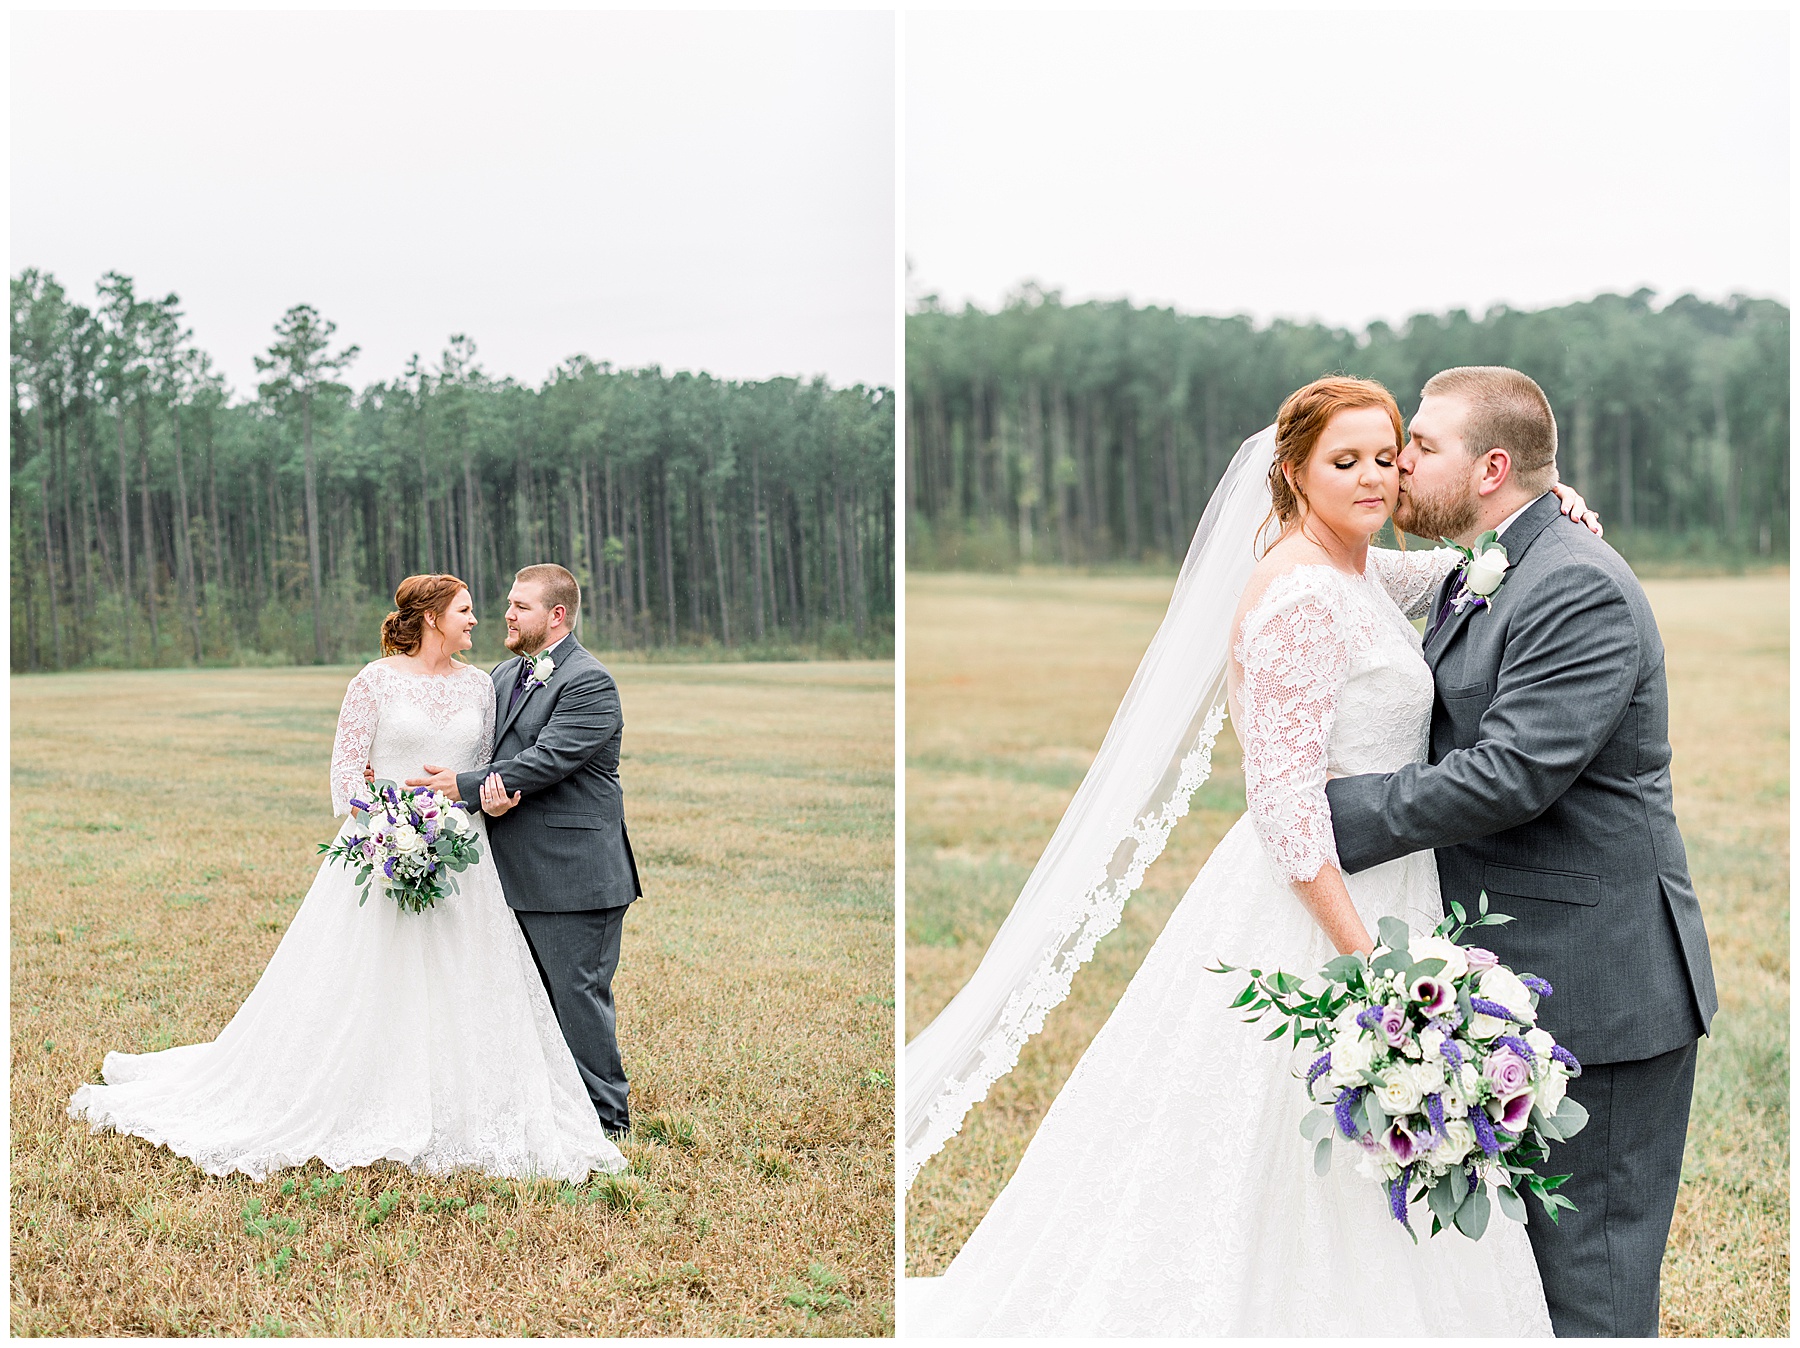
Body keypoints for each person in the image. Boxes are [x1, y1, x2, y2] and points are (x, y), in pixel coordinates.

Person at [904, 376, 1605, 1336]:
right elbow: (1281, 800)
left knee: (1370, 1147)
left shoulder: (1359, 569)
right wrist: (1365, 959)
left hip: (1393, 881)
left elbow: (1466, 570)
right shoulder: (1300, 596)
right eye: (1344, 461)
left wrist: (1545, 510)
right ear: (1292, 473)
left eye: (1388, 454)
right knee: (1272, 1139)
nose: (1375, 477)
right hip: (1320, 904)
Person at [1326, 366, 1716, 1337]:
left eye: (1420, 444)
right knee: (1523, 1283)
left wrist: (1328, 816)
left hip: (1605, 986)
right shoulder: (1485, 558)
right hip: (1529, 972)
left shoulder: (1574, 584)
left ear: (1492, 466)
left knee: (1593, 1286)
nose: (1402, 461)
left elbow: (1507, 775)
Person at [70, 574, 625, 1182]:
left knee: (471, 985)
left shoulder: (482, 685)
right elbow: (344, 776)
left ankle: (514, 1100)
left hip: (466, 858)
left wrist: (479, 803)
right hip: (382, 849)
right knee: (364, 983)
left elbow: (494, 766)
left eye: (510, 607)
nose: (483, 619)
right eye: (467, 611)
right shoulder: (376, 681)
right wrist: (392, 824)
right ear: (434, 618)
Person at [407, 563, 641, 1138]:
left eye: (521, 606)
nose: (506, 614)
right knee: (524, 1002)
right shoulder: (505, 674)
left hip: (574, 875)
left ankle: (607, 1122)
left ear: (556, 615)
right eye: (509, 603)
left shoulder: (589, 682)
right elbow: (475, 746)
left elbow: (549, 760)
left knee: (576, 997)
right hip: (508, 872)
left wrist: (465, 786)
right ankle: (548, 1112)